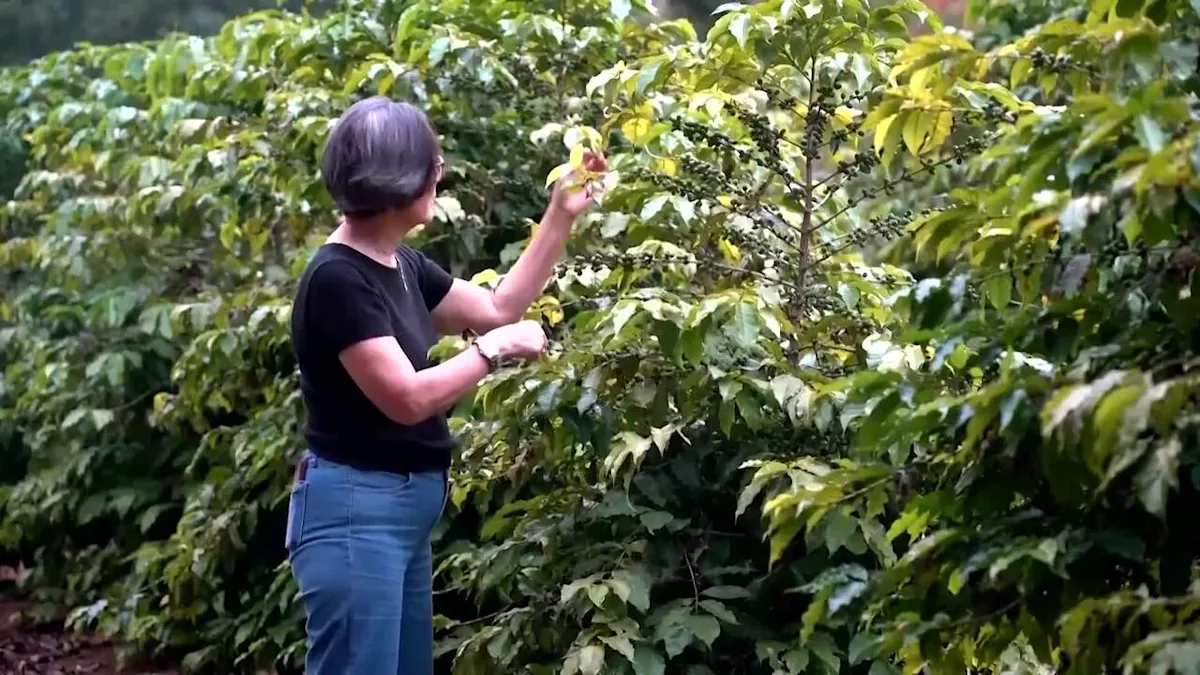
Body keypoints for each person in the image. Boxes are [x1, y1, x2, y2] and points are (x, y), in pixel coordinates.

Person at [284, 96, 606, 674]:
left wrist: (560, 213)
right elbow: (407, 398)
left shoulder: (399, 264)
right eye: (433, 164)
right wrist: (493, 352)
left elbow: (498, 305)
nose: (441, 173)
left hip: (400, 511)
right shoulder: (337, 278)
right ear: (396, 178)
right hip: (359, 512)